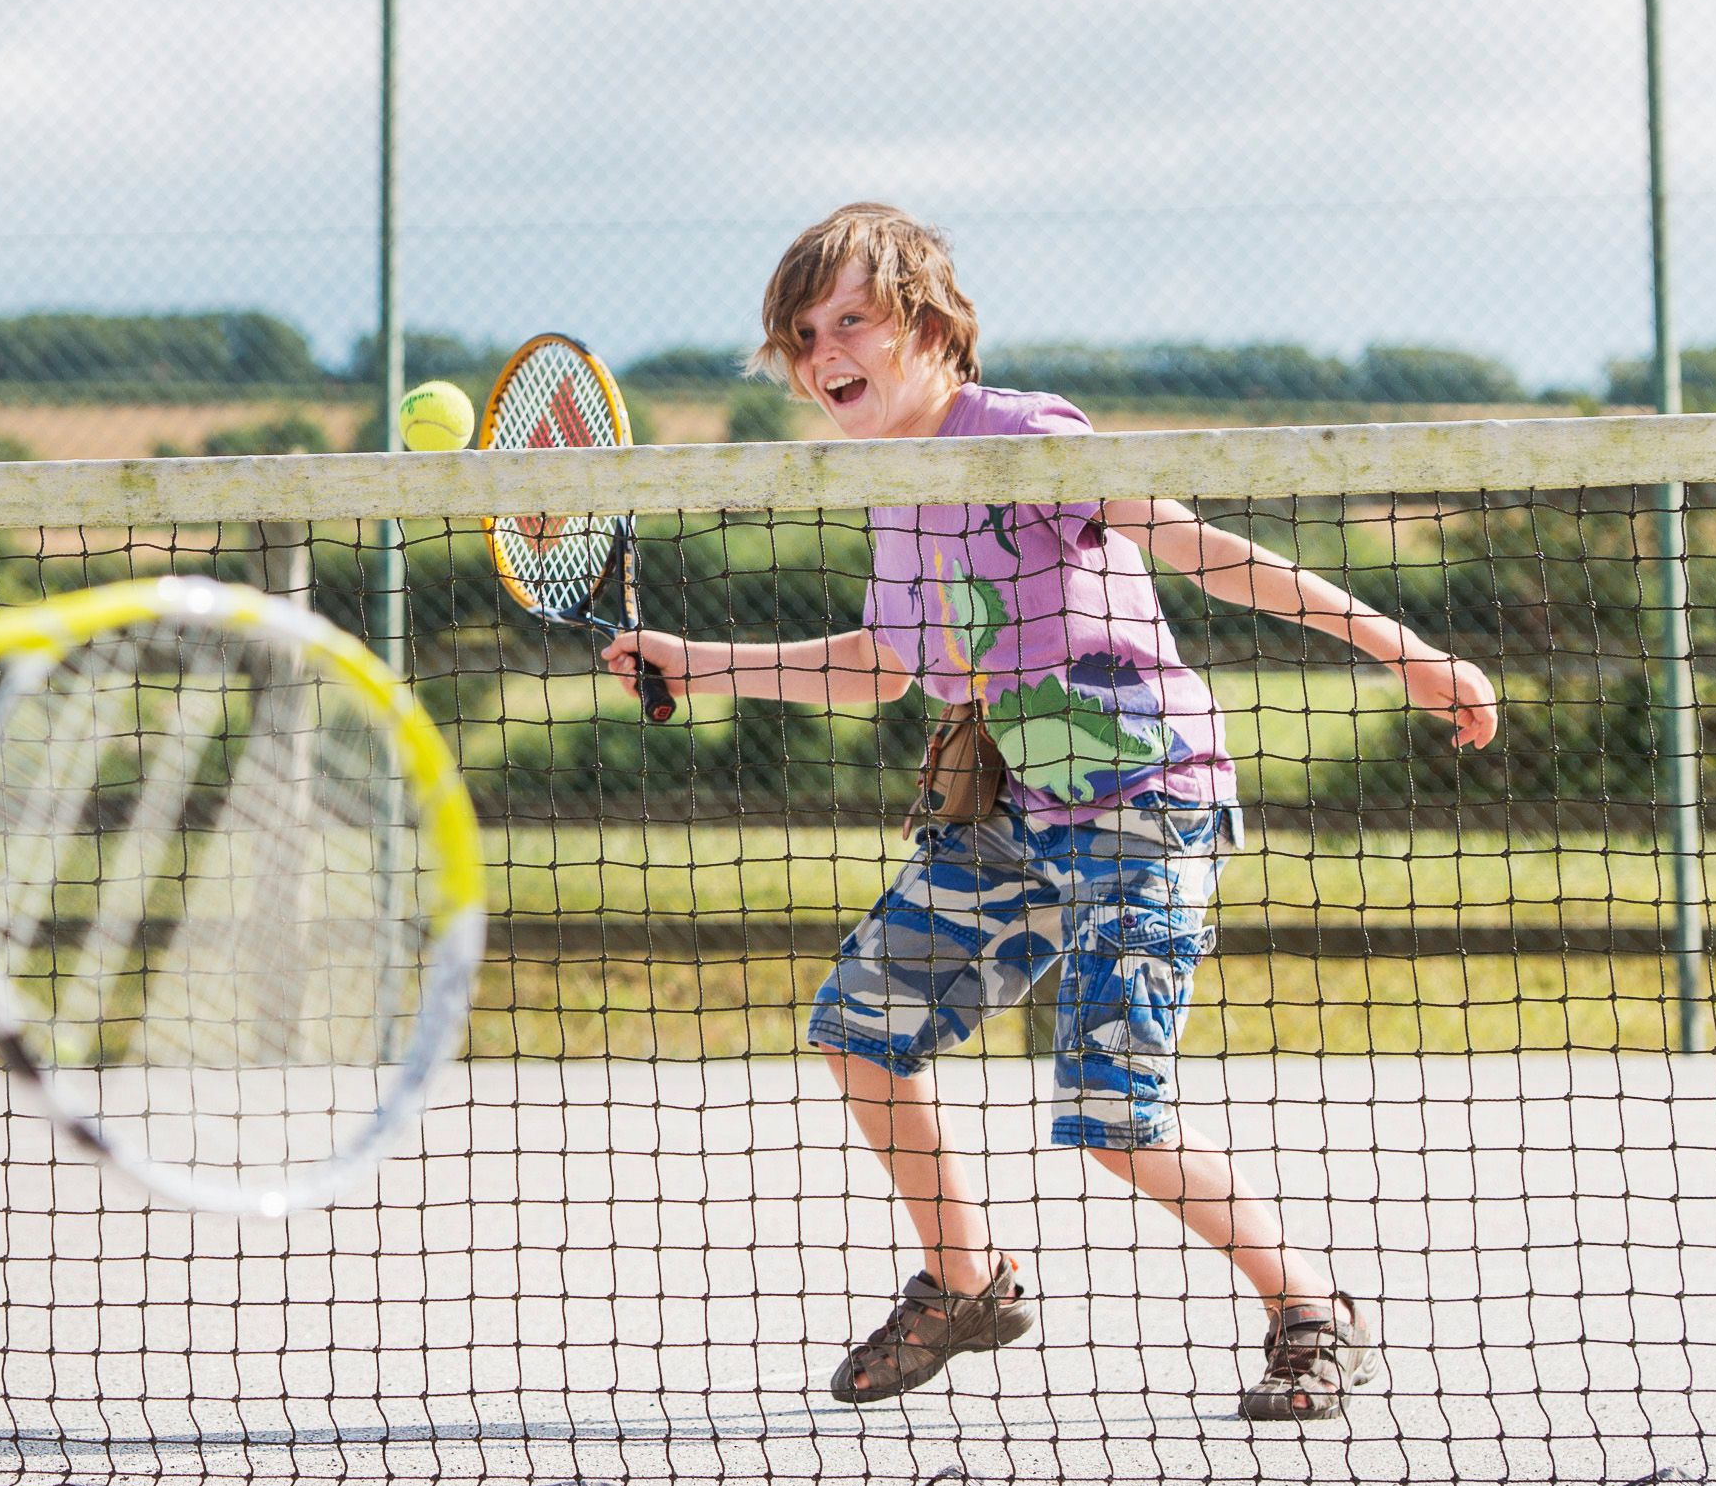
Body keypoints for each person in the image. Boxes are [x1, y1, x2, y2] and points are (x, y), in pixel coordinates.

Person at [602, 203, 1500, 1424]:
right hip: (1012, 818)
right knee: (857, 1028)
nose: (823, 355)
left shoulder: (1025, 435)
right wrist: (698, 662)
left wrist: (1405, 653)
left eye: (849, 320)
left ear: (924, 322)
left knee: (1109, 1112)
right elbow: (884, 664)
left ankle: (1306, 1309)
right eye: (801, 336)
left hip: (1143, 808)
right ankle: (964, 1287)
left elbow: (1197, 548)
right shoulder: (889, 493)